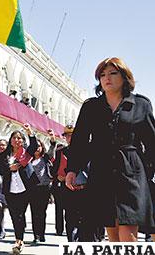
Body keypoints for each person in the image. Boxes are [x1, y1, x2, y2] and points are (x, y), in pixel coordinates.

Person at [66, 57, 155, 242]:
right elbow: (80, 140)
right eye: (102, 75)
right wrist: (72, 169)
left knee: (128, 232)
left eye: (113, 73)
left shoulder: (141, 105)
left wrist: (146, 171)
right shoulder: (91, 106)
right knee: (112, 233)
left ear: (124, 77)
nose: (107, 78)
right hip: (102, 171)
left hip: (131, 173)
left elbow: (152, 142)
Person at [0, 124, 39, 255]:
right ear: (11, 140)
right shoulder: (5, 154)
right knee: (15, 215)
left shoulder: (26, 152)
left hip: (26, 188)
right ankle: (18, 239)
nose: (17, 140)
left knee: (20, 214)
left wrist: (30, 132)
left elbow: (34, 146)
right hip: (10, 189)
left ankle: (20, 238)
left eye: (19, 138)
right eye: (14, 138)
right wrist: (10, 168)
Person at [29, 131, 56, 243]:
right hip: (33, 188)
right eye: (36, 146)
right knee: (34, 212)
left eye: (39, 146)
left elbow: (52, 149)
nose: (38, 148)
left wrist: (52, 139)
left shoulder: (45, 157)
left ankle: (42, 234)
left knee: (42, 212)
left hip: (44, 188)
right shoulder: (28, 159)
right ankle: (36, 235)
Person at [51, 125, 74, 238]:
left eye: (71, 135)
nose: (69, 138)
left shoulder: (84, 150)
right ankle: (60, 229)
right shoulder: (61, 151)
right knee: (60, 209)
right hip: (61, 186)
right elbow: (54, 168)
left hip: (77, 187)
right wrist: (57, 176)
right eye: (67, 136)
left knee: (73, 213)